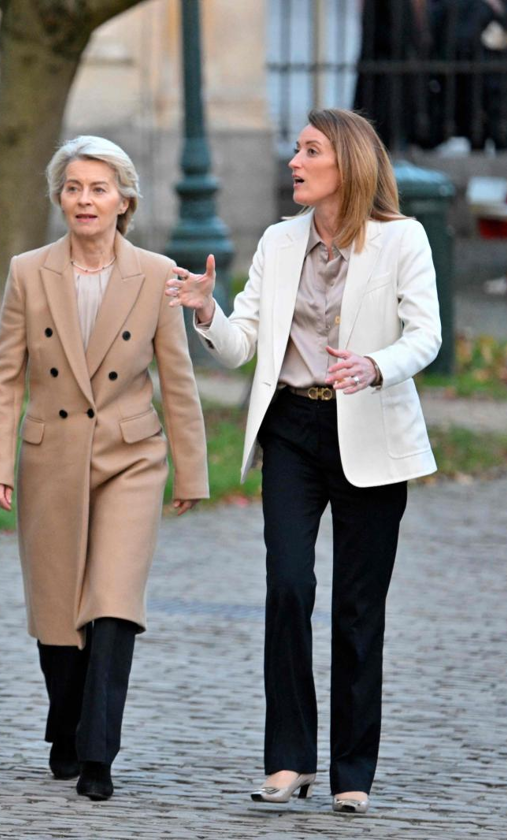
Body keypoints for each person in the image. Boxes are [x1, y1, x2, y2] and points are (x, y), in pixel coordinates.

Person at [167, 108, 441, 815]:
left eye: (310, 150)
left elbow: (426, 336)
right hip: (291, 427)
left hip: (369, 431)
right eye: (295, 149)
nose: (294, 161)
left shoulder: (401, 239)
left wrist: (376, 367)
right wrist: (205, 312)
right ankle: (289, 761)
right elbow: (241, 345)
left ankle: (354, 770)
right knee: (288, 586)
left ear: (346, 164)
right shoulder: (278, 241)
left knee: (358, 609)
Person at [0, 136, 209, 802]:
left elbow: (179, 379)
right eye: (75, 187)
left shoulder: (158, 274)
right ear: (59, 198)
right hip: (51, 454)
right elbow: (4, 378)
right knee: (58, 610)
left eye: (99, 188)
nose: (86, 200)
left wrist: (190, 472)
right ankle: (67, 724)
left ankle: (99, 754)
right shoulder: (28, 271)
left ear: (125, 200)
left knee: (112, 603)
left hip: (131, 456)